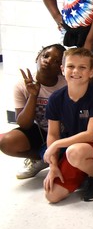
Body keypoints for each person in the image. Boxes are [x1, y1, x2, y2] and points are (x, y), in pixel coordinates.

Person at [42, 48, 93, 203]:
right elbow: (52, 134)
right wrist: (53, 166)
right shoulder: (56, 98)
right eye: (71, 66)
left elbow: (91, 135)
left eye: (82, 67)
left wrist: (57, 145)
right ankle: (82, 172)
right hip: (73, 152)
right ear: (62, 69)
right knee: (52, 195)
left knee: (74, 152)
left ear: (92, 72)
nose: (75, 71)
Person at [1, 44, 66, 179]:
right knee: (6, 142)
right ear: (38, 57)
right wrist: (33, 95)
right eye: (45, 56)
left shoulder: (66, 84)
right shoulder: (22, 85)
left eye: (56, 61)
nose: (48, 61)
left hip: (64, 133)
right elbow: (24, 124)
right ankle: (42, 159)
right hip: (41, 131)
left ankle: (56, 157)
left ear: (61, 68)